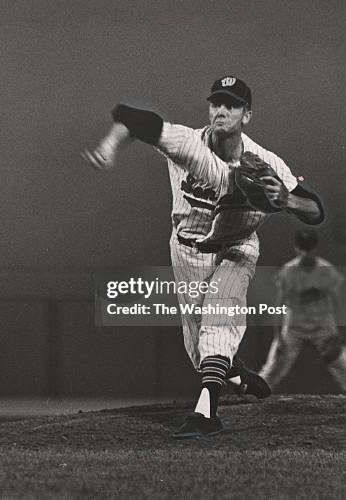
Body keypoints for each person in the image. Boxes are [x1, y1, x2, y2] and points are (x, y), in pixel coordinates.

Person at [83, 75, 324, 438]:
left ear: (247, 115)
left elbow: (316, 211)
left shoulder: (267, 163)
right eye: (216, 103)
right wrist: (109, 146)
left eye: (232, 105)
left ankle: (206, 413)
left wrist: (287, 201)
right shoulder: (188, 145)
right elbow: (132, 117)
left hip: (238, 249)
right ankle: (237, 374)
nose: (222, 110)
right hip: (187, 249)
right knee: (198, 348)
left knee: (219, 320)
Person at [259, 229, 345, 392]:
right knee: (274, 366)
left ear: (315, 249)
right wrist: (278, 337)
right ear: (297, 249)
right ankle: (255, 393)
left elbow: (338, 301)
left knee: (342, 364)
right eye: (302, 249)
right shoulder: (288, 271)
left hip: (323, 326)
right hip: (294, 327)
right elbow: (278, 305)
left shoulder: (326, 269)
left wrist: (339, 332)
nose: (306, 253)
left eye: (309, 249)